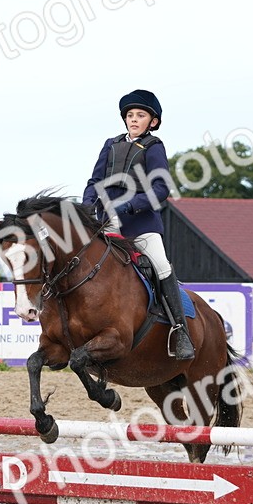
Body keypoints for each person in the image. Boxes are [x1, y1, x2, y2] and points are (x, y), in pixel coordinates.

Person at [81, 89, 193, 359]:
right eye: (130, 115)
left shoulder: (154, 147)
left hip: (140, 224)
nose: (133, 119)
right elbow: (94, 182)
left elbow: (160, 188)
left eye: (140, 115)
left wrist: (130, 204)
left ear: (152, 122)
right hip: (107, 223)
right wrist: (87, 207)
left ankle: (180, 331)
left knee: (162, 266)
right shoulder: (110, 144)